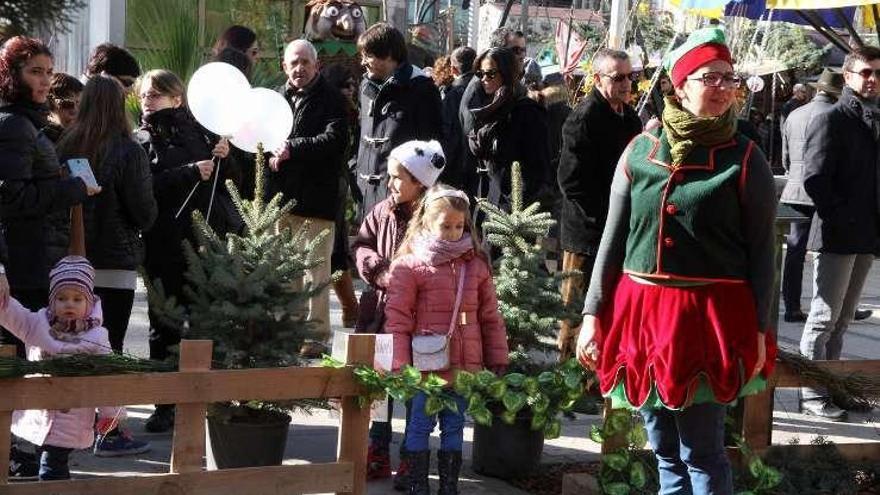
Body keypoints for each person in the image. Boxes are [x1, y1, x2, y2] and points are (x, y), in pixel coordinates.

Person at [576, 27, 777, 494]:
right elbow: (612, 241)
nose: (725, 88)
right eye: (712, 77)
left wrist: (762, 331)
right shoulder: (639, 152)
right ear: (680, 83)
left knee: (703, 453)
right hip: (642, 319)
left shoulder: (746, 160)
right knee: (663, 450)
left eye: (731, 78)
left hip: (710, 323)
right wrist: (592, 315)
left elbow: (764, 255)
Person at [386, 184, 508, 495]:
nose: (454, 232)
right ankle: (416, 484)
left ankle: (449, 487)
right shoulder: (409, 265)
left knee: (454, 427)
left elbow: (490, 317)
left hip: (464, 366)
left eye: (459, 226)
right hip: (426, 367)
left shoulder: (476, 265)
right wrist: (400, 364)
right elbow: (398, 319)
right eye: (445, 226)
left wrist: (497, 357)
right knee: (419, 425)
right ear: (425, 220)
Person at [0, 256, 149, 480]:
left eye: (77, 299)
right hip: (38, 415)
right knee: (46, 459)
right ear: (52, 301)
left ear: (89, 302)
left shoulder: (96, 337)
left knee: (51, 467)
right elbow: (11, 313)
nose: (69, 304)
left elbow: (107, 377)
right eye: (62, 298)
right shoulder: (36, 324)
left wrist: (110, 415)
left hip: (71, 418)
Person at [135, 69, 225, 433]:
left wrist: (226, 156)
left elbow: (224, 187)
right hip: (162, 243)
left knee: (202, 324)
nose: (149, 101)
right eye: (145, 95)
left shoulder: (200, 134)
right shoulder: (141, 138)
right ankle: (164, 403)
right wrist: (190, 171)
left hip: (202, 242)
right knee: (163, 326)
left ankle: (200, 398)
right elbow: (146, 188)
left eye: (157, 95)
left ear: (177, 98)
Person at [352, 139, 445, 487]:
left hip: (419, 320)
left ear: (419, 182)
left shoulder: (436, 217)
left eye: (396, 178)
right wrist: (377, 270)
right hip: (380, 313)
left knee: (413, 386)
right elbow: (361, 244)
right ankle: (377, 446)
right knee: (379, 385)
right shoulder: (381, 211)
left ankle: (411, 453)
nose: (389, 184)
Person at [0, 36, 97, 354]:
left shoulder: (27, 122)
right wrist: (73, 188)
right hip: (21, 264)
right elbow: (12, 198)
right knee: (16, 365)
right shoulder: (15, 124)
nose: (45, 80)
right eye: (35, 71)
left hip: (31, 260)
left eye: (49, 71)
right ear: (11, 74)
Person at [799, 46, 880, 420]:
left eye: (877, 73)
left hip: (866, 235)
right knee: (823, 318)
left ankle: (833, 386)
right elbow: (814, 179)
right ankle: (811, 393)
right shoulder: (831, 118)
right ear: (847, 76)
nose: (873, 80)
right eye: (865, 72)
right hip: (837, 235)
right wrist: (842, 218)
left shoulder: (873, 119)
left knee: (843, 320)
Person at [57, 75, 158, 354]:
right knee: (109, 347)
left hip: (71, 264)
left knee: (67, 347)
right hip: (116, 262)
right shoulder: (130, 151)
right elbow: (144, 214)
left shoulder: (64, 147)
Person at [556, 48, 642, 360]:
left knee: (609, 304)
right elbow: (570, 181)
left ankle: (600, 374)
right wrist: (603, 217)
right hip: (588, 233)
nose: (626, 83)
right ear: (597, 78)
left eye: (630, 76)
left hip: (620, 228)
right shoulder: (584, 116)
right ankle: (568, 379)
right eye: (617, 77)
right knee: (578, 305)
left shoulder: (629, 115)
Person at [267, 40, 349, 353]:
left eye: (305, 62)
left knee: (316, 270)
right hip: (282, 197)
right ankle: (288, 331)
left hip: (317, 199)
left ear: (317, 66)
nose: (299, 68)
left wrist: (293, 148)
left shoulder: (331, 98)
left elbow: (334, 139)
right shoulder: (275, 97)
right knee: (286, 269)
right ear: (284, 66)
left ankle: (316, 336)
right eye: (293, 63)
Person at [354, 23, 443, 219]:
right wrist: (356, 169)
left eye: (368, 56)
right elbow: (360, 134)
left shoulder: (422, 90)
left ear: (388, 55)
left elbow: (433, 146)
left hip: (403, 200)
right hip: (366, 197)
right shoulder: (365, 87)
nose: (363, 62)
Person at [780, 68, 843, 323]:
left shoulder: (795, 114)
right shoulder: (836, 116)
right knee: (828, 253)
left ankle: (792, 307)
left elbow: (785, 158)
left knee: (794, 253)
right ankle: (829, 308)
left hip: (795, 191)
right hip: (824, 193)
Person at [467, 47, 551, 211]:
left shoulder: (527, 112)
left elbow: (539, 167)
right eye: (480, 74)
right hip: (489, 202)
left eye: (490, 74)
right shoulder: (484, 110)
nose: (484, 79)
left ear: (506, 74)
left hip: (517, 210)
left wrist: (518, 205)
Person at [322, 63, 361, 328]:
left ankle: (351, 308)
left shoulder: (355, 113)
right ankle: (350, 308)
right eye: (344, 85)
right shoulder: (329, 111)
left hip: (342, 188)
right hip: (326, 188)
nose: (350, 90)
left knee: (338, 251)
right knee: (334, 251)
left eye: (352, 85)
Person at [439, 46, 475, 189]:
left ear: (453, 70)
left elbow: (447, 134)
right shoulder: (487, 89)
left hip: (456, 169)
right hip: (478, 166)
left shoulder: (452, 95)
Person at [44, 73, 83, 143]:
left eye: (80, 105)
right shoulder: (41, 139)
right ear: (50, 103)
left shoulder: (80, 139)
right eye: (68, 104)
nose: (75, 110)